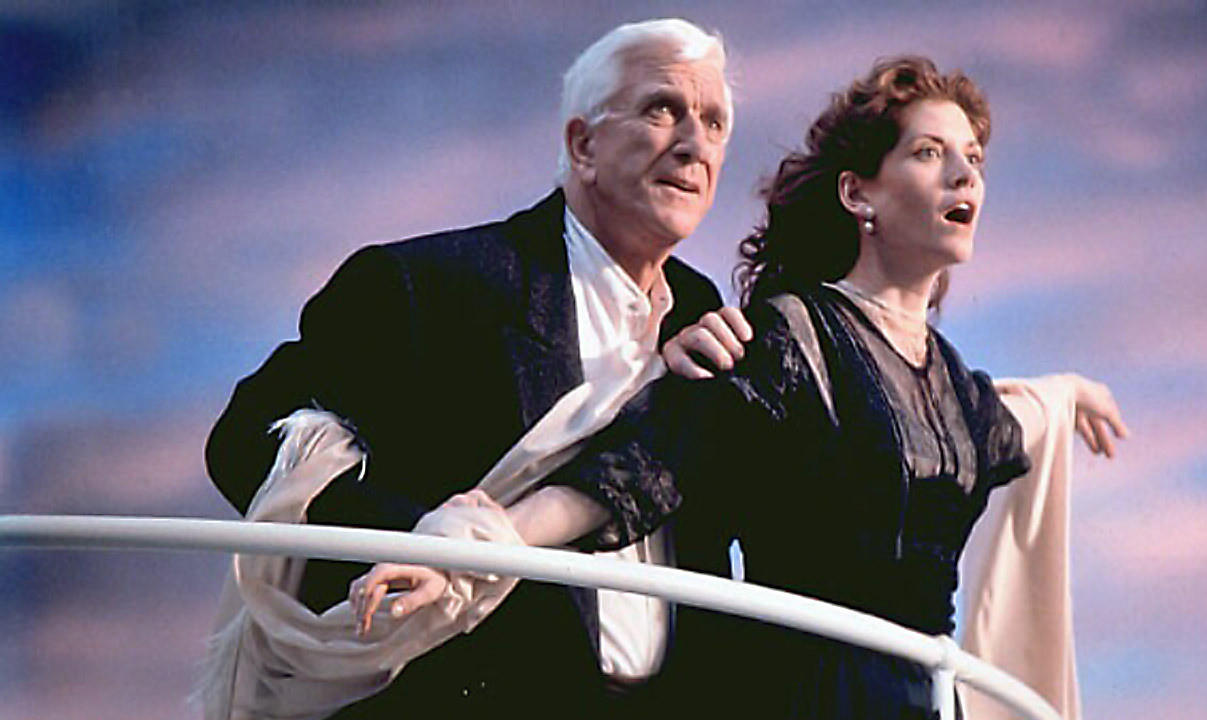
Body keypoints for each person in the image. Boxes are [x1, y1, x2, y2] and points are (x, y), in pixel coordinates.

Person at [537, 56, 1128, 719]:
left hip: (926, 700)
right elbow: (647, 462)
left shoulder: (959, 388)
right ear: (857, 193)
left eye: (973, 159)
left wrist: (1069, 390)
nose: (964, 175)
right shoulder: (793, 336)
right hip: (806, 694)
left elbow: (1021, 416)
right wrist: (493, 537)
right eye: (929, 153)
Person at [205, 18, 733, 718]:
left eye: (715, 122)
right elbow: (244, 440)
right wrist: (428, 540)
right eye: (662, 109)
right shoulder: (430, 288)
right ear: (583, 145)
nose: (695, 143)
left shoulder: (702, 313)